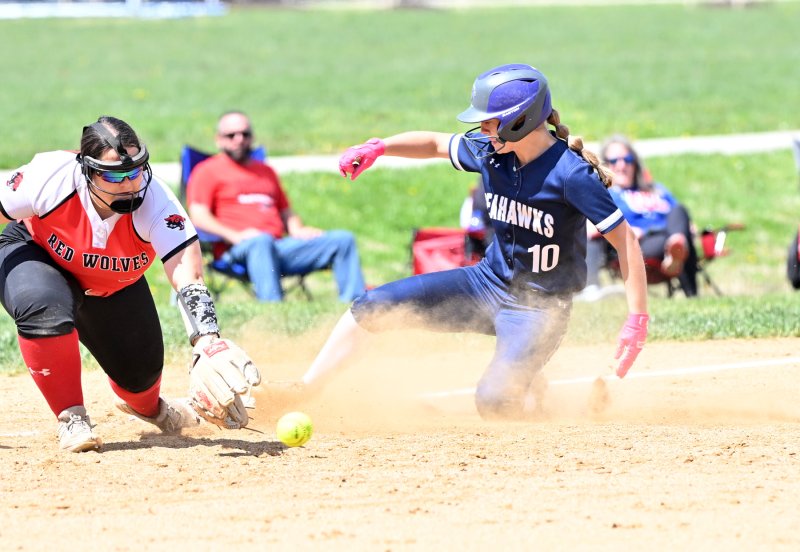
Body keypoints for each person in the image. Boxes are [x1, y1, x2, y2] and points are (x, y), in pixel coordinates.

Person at [265, 64, 649, 420]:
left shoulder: (571, 174)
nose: (482, 131)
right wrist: (378, 148)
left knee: (494, 402)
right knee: (374, 306)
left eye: (490, 122)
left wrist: (636, 320)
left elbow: (625, 241)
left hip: (540, 310)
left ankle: (548, 401)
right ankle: (305, 390)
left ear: (521, 121)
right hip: (485, 285)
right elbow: (433, 143)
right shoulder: (493, 154)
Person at [0, 116, 261, 453]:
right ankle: (72, 418)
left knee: (140, 382)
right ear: (88, 171)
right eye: (114, 175)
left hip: (113, 286)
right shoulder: (50, 176)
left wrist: (207, 341)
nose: (129, 184)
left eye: (135, 170)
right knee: (42, 303)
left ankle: (156, 410)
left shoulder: (158, 203)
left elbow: (188, 274)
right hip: (38, 255)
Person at [187, 111, 366, 302]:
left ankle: (356, 305)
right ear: (219, 140)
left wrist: (297, 229)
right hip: (237, 249)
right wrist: (235, 236)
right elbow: (198, 216)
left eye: (245, 134)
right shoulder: (207, 171)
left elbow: (286, 211)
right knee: (261, 241)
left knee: (342, 239)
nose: (239, 139)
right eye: (231, 135)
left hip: (279, 247)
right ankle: (273, 308)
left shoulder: (266, 172)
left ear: (252, 137)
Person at [580, 135, 698, 299]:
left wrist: (686, 229)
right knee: (677, 238)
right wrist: (624, 231)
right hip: (640, 244)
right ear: (604, 165)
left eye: (627, 159)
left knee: (679, 210)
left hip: (669, 234)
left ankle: (675, 249)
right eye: (614, 160)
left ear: (635, 163)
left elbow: (684, 220)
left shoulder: (657, 189)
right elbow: (590, 227)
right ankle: (675, 256)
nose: (622, 165)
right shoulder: (605, 194)